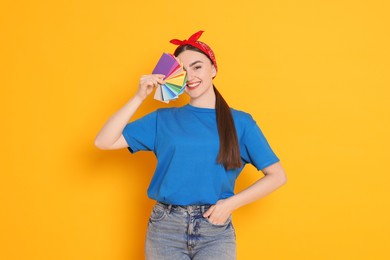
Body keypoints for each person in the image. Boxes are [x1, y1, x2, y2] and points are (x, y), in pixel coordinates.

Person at [94, 30, 287, 260]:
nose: (191, 76)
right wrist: (139, 97)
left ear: (213, 69)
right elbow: (103, 141)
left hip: (215, 229)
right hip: (165, 228)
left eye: (197, 67)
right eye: (182, 71)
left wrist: (230, 204)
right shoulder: (162, 119)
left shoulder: (240, 122)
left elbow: (277, 175)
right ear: (173, 77)